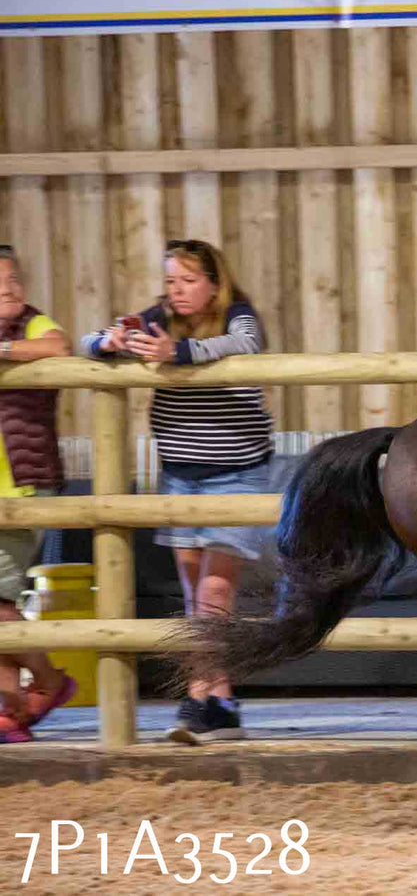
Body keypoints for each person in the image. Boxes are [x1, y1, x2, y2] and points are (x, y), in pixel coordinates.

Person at [82, 239, 273, 744]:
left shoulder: (239, 314)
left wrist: (179, 353)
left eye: (189, 281)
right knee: (195, 594)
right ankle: (222, 702)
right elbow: (88, 342)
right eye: (171, 281)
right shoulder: (158, 318)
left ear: (214, 282)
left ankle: (195, 698)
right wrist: (112, 341)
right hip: (180, 474)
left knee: (214, 590)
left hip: (237, 470)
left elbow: (246, 346)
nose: (178, 291)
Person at [0, 244, 77, 744]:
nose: (9, 289)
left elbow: (59, 347)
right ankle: (10, 712)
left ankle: (47, 682)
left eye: (13, 279)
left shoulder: (31, 324)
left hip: (22, 487)